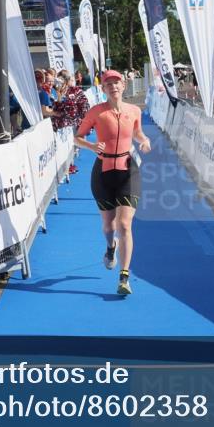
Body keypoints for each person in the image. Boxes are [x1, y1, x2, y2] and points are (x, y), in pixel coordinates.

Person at [74, 70, 151, 296]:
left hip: (128, 170)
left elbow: (137, 133)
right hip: (103, 172)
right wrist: (90, 146)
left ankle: (124, 277)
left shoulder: (134, 110)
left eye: (116, 83)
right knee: (109, 227)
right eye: (108, 84)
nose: (113, 87)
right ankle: (110, 248)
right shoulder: (96, 112)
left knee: (125, 225)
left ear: (123, 85)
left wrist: (144, 140)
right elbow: (77, 137)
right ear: (103, 89)